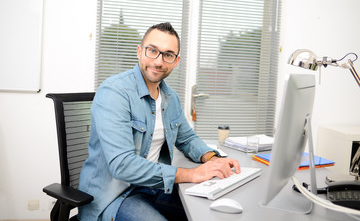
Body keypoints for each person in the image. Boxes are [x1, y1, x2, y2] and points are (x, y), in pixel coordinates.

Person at [78, 22, 241, 221]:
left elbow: (187, 138)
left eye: (168, 55)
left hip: (154, 188)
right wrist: (191, 174)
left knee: (211, 212)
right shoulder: (114, 92)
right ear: (139, 51)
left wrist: (213, 160)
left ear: (176, 61)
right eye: (152, 51)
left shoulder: (170, 97)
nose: (159, 61)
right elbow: (123, 165)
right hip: (113, 197)